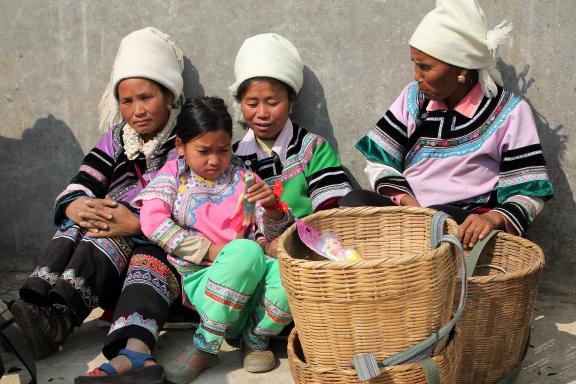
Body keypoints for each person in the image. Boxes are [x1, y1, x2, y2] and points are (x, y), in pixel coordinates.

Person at [9, 27, 185, 382]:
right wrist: (75, 205)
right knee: (82, 221)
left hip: (162, 249)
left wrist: (137, 224)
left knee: (108, 233)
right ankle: (40, 308)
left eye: (146, 97)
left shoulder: (188, 139)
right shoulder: (117, 139)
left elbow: (196, 202)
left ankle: (58, 321)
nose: (137, 111)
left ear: (169, 94)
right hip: (108, 264)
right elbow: (86, 177)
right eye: (127, 101)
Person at [341, 0, 554, 247]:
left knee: (440, 218)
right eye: (414, 63)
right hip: (409, 213)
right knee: (353, 202)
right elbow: (379, 161)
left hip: (461, 223)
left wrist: (493, 219)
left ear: (461, 68)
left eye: (425, 67)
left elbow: (529, 192)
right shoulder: (414, 98)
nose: (416, 76)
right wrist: (409, 205)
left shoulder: (510, 112)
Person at [128, 97, 293, 384]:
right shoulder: (173, 177)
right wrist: (212, 250)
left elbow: (259, 234)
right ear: (181, 146)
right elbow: (152, 222)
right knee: (243, 251)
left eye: (224, 149)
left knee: (289, 271)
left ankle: (255, 338)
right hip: (205, 281)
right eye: (203, 151)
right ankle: (206, 342)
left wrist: (273, 211)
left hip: (251, 281)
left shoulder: (244, 178)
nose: (215, 160)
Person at [231, 33, 353, 256]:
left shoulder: (313, 149)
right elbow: (234, 221)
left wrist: (292, 242)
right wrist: (264, 246)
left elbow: (332, 213)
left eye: (272, 102)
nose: (262, 114)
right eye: (251, 103)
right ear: (240, 103)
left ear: (291, 101)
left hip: (310, 252)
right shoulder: (233, 158)